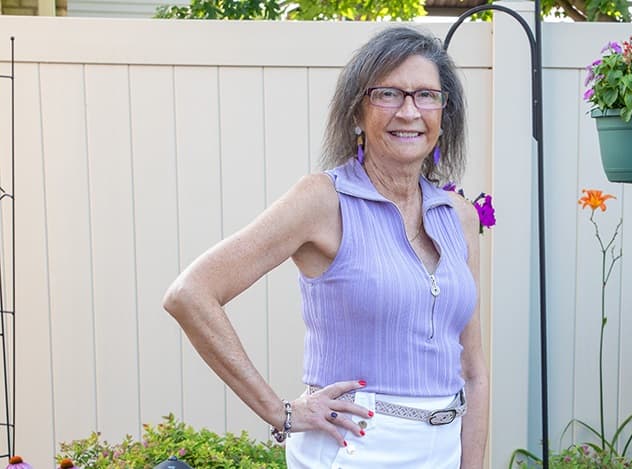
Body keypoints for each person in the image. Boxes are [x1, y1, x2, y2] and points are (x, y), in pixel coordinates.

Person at [163, 26, 488, 468]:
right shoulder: (322, 200)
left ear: (443, 114)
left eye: (426, 95)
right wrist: (281, 411)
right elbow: (190, 294)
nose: (410, 111)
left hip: (444, 447)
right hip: (356, 446)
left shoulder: (460, 217)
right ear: (357, 111)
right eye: (389, 93)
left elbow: (474, 373)